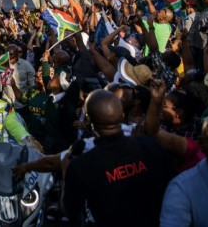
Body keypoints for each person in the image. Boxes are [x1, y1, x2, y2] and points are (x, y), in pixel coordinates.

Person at [61, 90, 175, 227]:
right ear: (122, 116)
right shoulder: (149, 145)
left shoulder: (81, 165)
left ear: (87, 120)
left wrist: (65, 169)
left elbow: (69, 210)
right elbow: (172, 183)